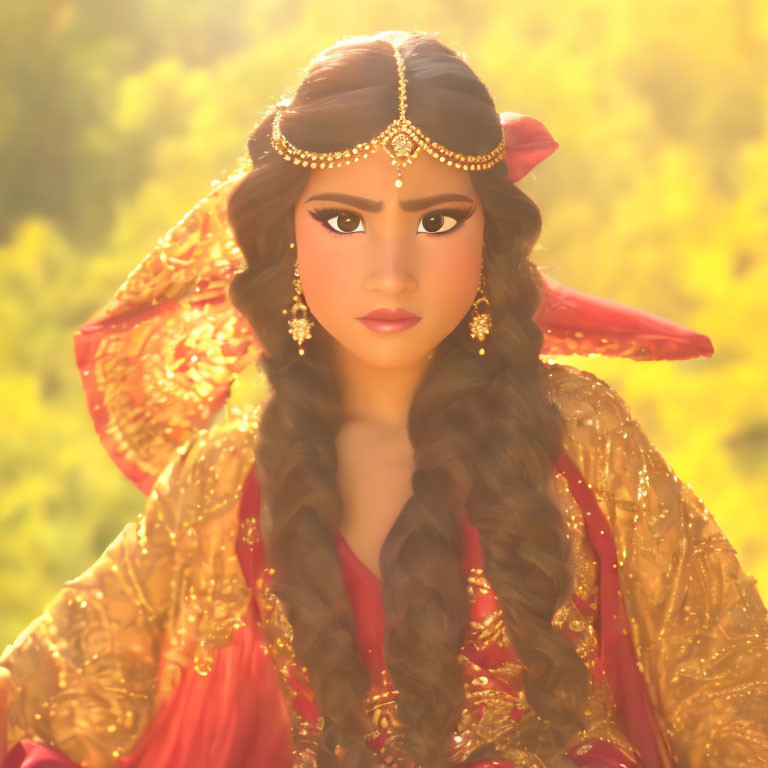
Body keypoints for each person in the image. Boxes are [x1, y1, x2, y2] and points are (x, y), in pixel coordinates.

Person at [1, 29, 766, 768]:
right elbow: (45, 696)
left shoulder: (577, 433)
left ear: (489, 237)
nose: (391, 271)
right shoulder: (235, 473)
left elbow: (732, 696)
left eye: (436, 221)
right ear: (286, 238)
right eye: (344, 220)